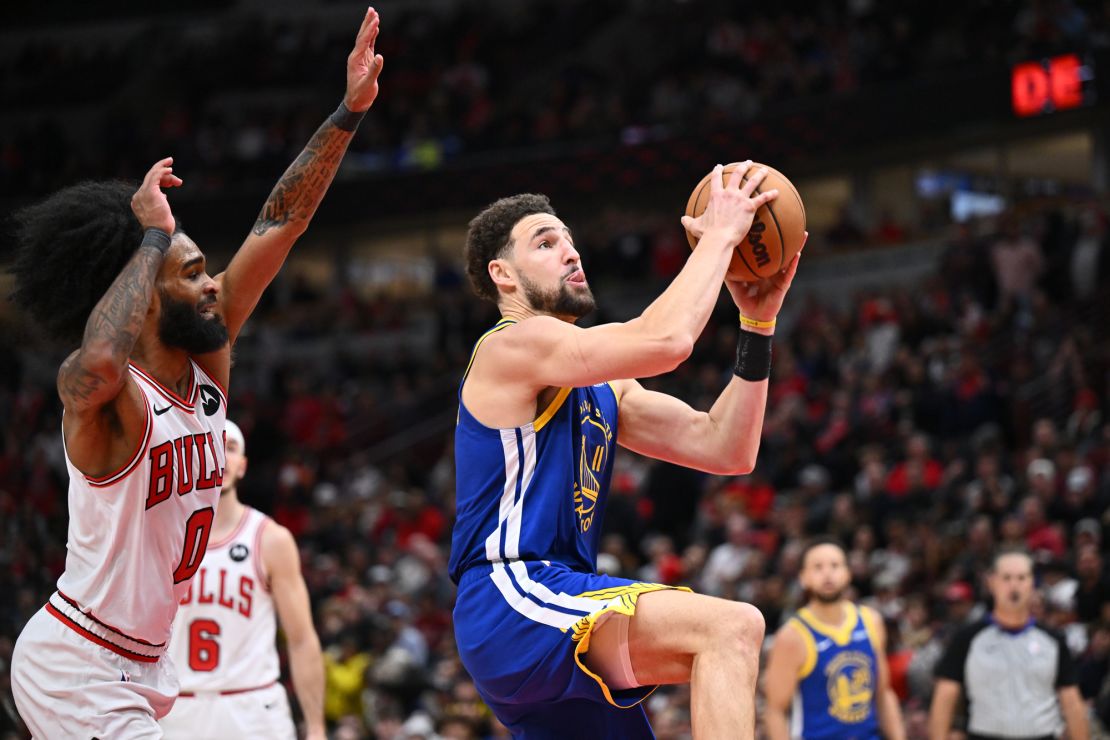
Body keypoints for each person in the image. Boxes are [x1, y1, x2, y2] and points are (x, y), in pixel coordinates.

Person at [7, 9, 384, 737]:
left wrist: (348, 112)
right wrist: (151, 236)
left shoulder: (206, 365)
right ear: (146, 293)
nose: (214, 284)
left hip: (150, 668)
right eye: (193, 273)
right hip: (79, 663)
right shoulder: (103, 395)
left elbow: (281, 223)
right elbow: (100, 357)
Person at [451, 162, 802, 738]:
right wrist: (718, 236)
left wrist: (757, 324)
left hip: (556, 612)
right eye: (545, 242)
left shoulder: (603, 387)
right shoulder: (508, 347)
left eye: (569, 239)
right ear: (503, 276)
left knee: (721, 637)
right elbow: (667, 341)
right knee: (729, 628)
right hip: (513, 598)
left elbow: (726, 448)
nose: (570, 253)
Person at [159, 421, 325, 739]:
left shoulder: (270, 539)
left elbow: (302, 640)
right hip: (177, 710)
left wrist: (316, 728)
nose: (220, 457)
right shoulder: (160, 538)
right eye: (211, 447)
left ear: (243, 466)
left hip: (252, 708)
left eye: (230, 448)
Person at [928, 547, 1089, 740]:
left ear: (1032, 583)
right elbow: (944, 698)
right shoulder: (967, 639)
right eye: (1006, 578)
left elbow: (1071, 703)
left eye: (1021, 578)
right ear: (991, 582)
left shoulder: (1053, 640)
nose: (1014, 586)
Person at [763, 538, 905, 740]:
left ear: (848, 574)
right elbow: (774, 711)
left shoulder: (871, 621)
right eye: (818, 567)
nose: (827, 573)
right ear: (803, 577)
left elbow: (883, 693)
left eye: (835, 565)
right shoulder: (791, 636)